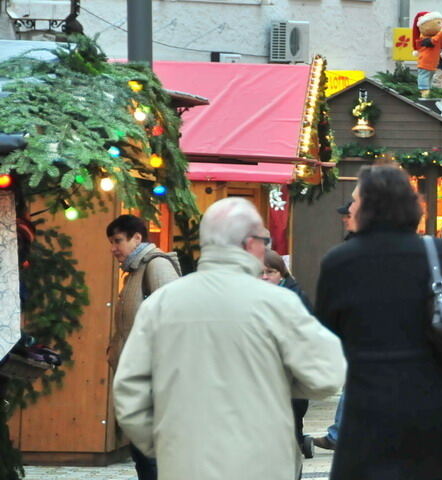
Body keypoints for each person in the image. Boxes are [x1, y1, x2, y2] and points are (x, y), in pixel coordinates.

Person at [113, 198, 345, 480]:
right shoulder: (280, 304)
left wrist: (163, 444)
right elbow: (327, 374)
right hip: (263, 459)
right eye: (264, 240)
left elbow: (128, 390)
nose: (267, 248)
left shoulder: (162, 304)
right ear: (250, 244)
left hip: (185, 462)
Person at [315, 164, 442, 480]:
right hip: (432, 404)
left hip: (368, 406)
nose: (350, 207)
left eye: (355, 200)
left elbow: (324, 336)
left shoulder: (339, 261)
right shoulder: (435, 253)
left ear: (368, 206)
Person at [106, 214, 182, 480]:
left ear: (137, 238)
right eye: (111, 242)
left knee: (151, 455)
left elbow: (175, 320)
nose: (114, 248)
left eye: (118, 241)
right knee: (144, 453)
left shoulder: (156, 266)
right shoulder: (136, 269)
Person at [261, 250, 314, 458]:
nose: (264, 277)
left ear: (281, 274)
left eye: (270, 272)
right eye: (259, 272)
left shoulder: (296, 297)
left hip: (291, 365)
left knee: (293, 408)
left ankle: (295, 440)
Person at [314, 202, 356, 453]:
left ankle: (339, 433)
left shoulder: (345, 253)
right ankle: (338, 432)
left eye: (348, 215)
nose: (343, 219)